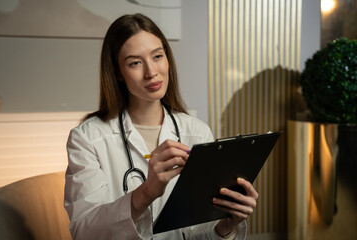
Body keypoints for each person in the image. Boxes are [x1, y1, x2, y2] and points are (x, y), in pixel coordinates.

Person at [64, 13, 258, 240]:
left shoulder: (197, 132)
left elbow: (199, 234)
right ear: (117, 72)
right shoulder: (87, 138)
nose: (151, 72)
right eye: (135, 62)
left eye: (157, 56)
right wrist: (146, 192)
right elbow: (84, 233)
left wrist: (227, 224)